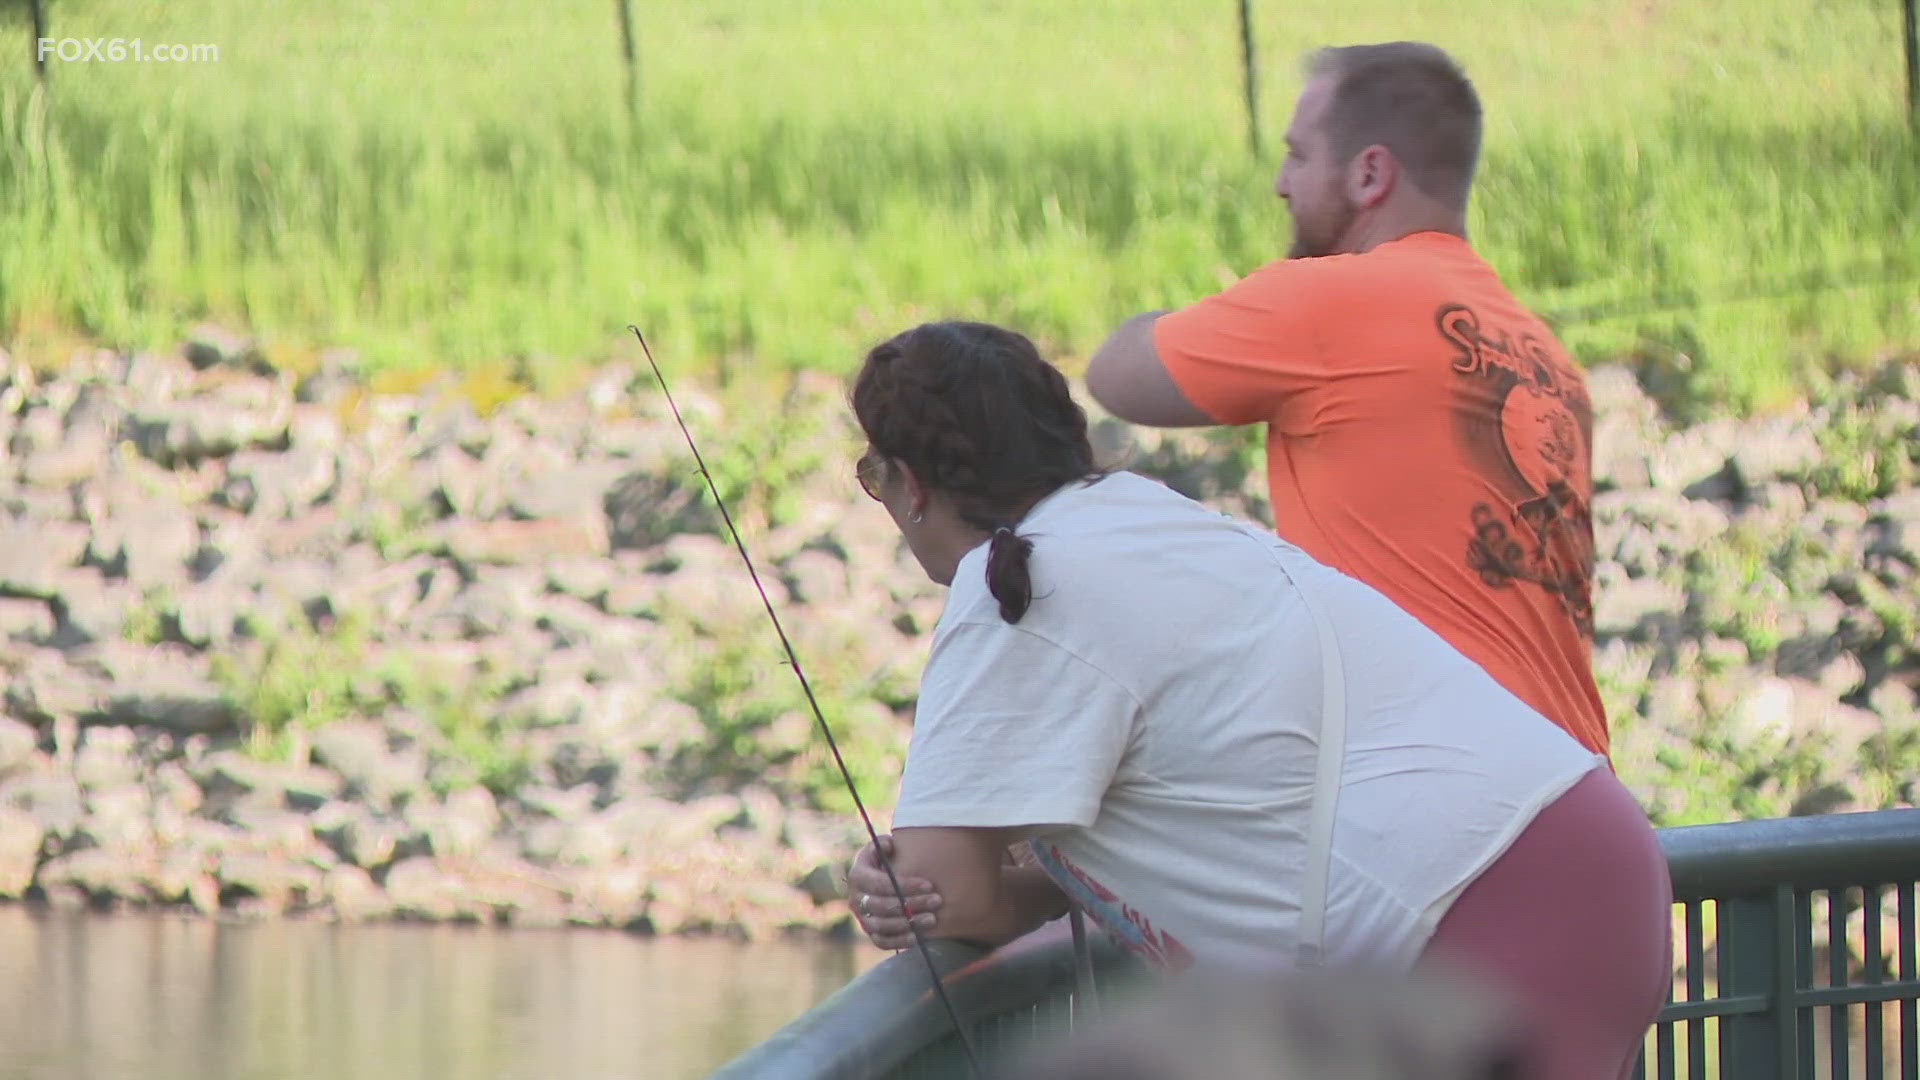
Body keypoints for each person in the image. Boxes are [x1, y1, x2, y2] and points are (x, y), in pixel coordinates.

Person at [842, 320, 1669, 1080]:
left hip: (1474, 920)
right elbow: (1189, 791)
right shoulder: (1144, 520)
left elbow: (947, 891)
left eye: (874, 474)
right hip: (1580, 859)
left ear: (911, 485)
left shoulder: (1011, 589)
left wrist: (901, 885)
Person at [1082, 42, 1609, 758]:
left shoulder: (1332, 300)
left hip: (1452, 785)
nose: (1280, 184)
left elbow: (1117, 374)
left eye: (1298, 156)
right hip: (1580, 784)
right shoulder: (1547, 358)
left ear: (1368, 174)